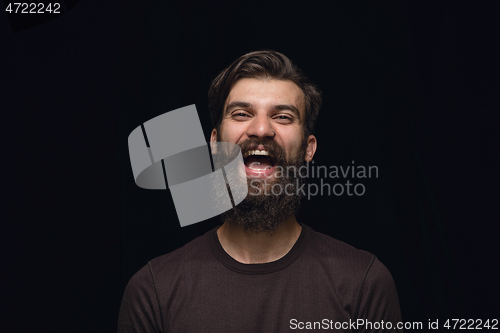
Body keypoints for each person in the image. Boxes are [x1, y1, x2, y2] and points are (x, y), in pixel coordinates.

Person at [118, 50, 403, 332]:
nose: (262, 129)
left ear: (308, 148)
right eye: (242, 114)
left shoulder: (363, 284)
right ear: (215, 145)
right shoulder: (154, 290)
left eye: (282, 117)